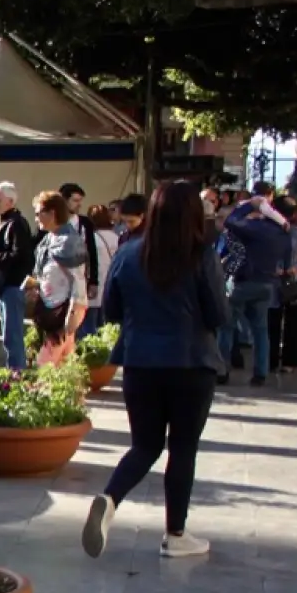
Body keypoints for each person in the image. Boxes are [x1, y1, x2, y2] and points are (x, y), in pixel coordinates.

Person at [82, 181, 228, 560]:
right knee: (182, 449)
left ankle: (109, 499)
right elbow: (218, 314)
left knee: (144, 446)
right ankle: (176, 535)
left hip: (139, 363)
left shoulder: (128, 254)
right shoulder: (202, 256)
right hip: (191, 364)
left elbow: (111, 310)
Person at [219, 186, 290, 385]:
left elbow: (230, 221)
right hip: (268, 283)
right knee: (260, 329)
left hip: (245, 282)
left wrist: (248, 204)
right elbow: (287, 257)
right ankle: (261, 373)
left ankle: (222, 370)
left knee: (226, 326)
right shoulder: (280, 231)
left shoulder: (253, 229)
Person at [26, 191, 87, 365]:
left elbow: (79, 280)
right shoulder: (48, 240)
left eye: (39, 213)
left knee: (45, 366)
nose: (36, 218)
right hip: (50, 310)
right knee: (64, 367)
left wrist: (73, 313)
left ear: (52, 213)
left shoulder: (69, 242)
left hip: (62, 312)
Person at [0, 182, 36, 369]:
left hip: (13, 285)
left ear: (10, 202)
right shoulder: (8, 222)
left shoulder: (16, 224)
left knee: (12, 335)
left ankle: (16, 375)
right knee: (9, 334)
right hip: (6, 286)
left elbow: (20, 254)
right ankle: (15, 373)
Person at [266, 198, 297, 373]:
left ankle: (290, 360)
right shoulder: (266, 232)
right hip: (273, 281)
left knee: (295, 322)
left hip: (295, 282)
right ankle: (269, 360)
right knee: (271, 322)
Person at [75, 205, 120, 338]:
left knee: (89, 326)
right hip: (110, 285)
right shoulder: (117, 237)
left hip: (95, 286)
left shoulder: (91, 238)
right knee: (106, 326)